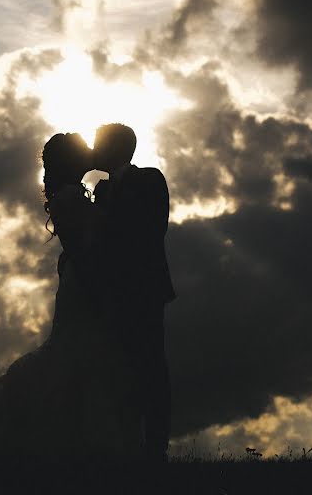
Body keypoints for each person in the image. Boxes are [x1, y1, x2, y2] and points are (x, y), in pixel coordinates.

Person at [0, 133, 142, 460]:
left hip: (85, 278)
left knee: (87, 354)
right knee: (77, 353)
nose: (90, 155)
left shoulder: (79, 194)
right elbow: (82, 246)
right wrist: (98, 284)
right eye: (83, 152)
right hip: (84, 281)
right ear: (72, 161)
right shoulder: (68, 198)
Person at [91, 122, 175, 462]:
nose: (94, 150)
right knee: (118, 367)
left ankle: (156, 448)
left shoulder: (150, 179)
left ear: (117, 148)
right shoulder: (100, 188)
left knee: (151, 366)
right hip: (112, 291)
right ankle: (125, 444)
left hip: (144, 287)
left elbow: (155, 229)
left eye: (99, 143)